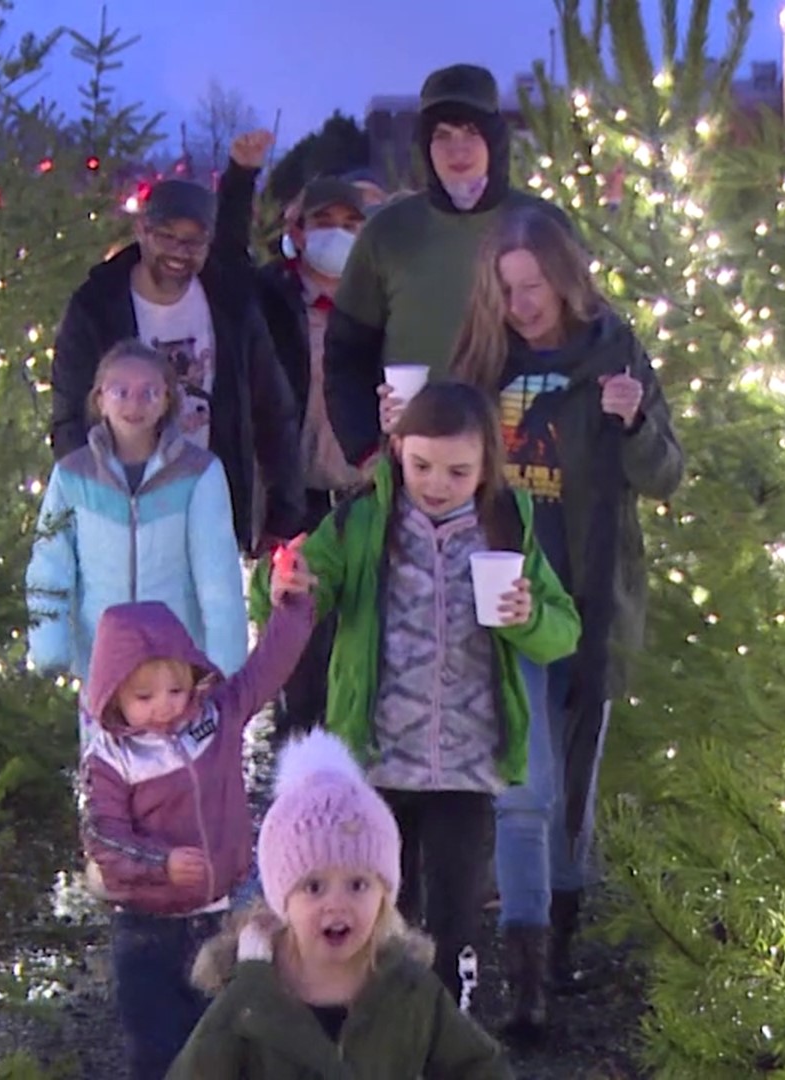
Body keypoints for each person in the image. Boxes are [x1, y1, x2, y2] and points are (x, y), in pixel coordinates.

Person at [252, 380, 580, 995]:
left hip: (466, 764)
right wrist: (285, 584)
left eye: (458, 471)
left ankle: (444, 1032)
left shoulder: (507, 523)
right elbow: (295, 588)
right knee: (377, 916)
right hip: (377, 762)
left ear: (487, 465)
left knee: (453, 925)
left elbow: (562, 630)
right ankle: (372, 1036)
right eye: (422, 465)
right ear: (398, 447)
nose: (436, 483)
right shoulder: (362, 520)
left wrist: (526, 616)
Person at [448, 207, 683, 1028]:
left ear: (564, 277)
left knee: (568, 800)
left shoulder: (614, 349)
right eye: (507, 290)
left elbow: (666, 475)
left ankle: (561, 948)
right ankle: (527, 986)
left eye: (533, 286)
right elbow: (440, 460)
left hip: (588, 602)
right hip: (504, 600)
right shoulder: (482, 356)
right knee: (524, 789)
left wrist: (634, 420)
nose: (521, 305)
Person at [78, 548, 317, 1080]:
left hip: (223, 911)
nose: (164, 705)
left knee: (229, 1042)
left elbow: (267, 669)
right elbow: (103, 838)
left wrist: (293, 607)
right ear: (113, 696)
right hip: (148, 929)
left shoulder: (215, 717)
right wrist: (158, 863)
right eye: (143, 696)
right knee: (158, 1049)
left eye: (176, 688)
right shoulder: (111, 760)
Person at [165, 729, 512, 1079]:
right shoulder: (248, 997)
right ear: (281, 899)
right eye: (314, 887)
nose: (337, 904)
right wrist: (245, 991)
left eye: (358, 885)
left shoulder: (408, 988)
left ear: (385, 895)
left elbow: (480, 1068)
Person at [323, 63, 572, 466]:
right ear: (425, 146)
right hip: (418, 471)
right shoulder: (388, 231)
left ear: (495, 140)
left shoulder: (544, 226)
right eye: (443, 136)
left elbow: (588, 341)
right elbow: (346, 355)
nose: (458, 150)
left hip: (528, 466)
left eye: (472, 133)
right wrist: (366, 449)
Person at [213, 129, 374, 746]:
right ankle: (297, 816)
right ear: (298, 230)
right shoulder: (268, 300)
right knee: (298, 669)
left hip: (365, 502)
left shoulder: (381, 307)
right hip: (296, 506)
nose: (337, 232)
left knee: (361, 664)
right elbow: (225, 259)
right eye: (322, 220)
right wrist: (240, 176)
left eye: (350, 221)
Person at [50, 178, 304, 556]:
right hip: (124, 514)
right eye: (166, 236)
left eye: (193, 241)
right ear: (142, 231)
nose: (178, 252)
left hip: (213, 509)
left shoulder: (232, 306)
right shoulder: (97, 307)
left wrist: (284, 517)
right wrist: (94, 503)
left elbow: (272, 409)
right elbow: (70, 417)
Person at [26, 340, 248, 686]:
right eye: (121, 391)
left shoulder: (198, 474)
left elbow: (218, 576)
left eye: (149, 393)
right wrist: (49, 645)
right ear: (100, 399)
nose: (134, 403)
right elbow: (50, 564)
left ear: (167, 402)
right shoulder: (73, 476)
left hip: (176, 668)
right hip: (102, 666)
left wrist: (225, 665)